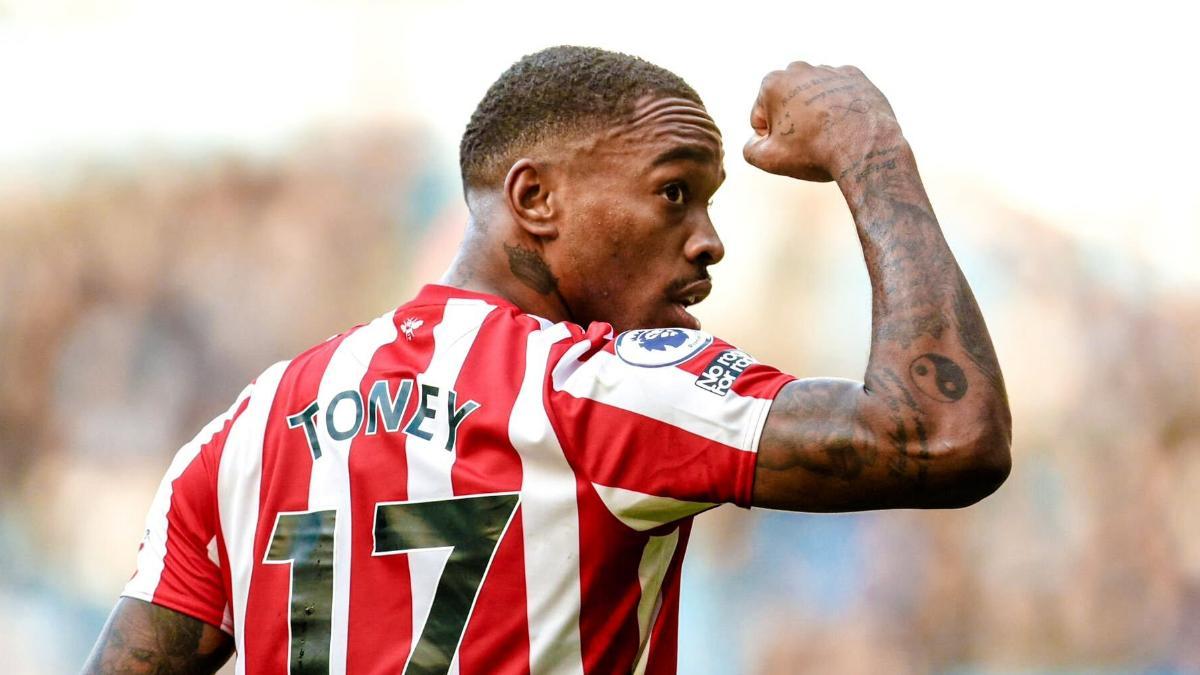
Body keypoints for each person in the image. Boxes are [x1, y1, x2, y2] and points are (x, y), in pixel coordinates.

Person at [83, 45, 1011, 674]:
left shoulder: (246, 429)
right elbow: (944, 433)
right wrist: (871, 147)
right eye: (675, 192)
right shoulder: (599, 388)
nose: (711, 241)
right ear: (534, 199)